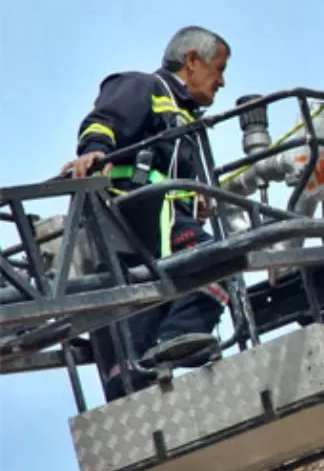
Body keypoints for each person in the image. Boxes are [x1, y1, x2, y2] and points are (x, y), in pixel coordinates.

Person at [61, 25, 232, 402]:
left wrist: (195, 199)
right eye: (218, 69)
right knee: (219, 261)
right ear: (191, 60)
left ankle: (147, 368)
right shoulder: (145, 87)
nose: (221, 82)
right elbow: (106, 119)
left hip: (161, 220)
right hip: (137, 211)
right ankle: (175, 340)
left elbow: (172, 169)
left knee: (141, 310)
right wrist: (93, 150)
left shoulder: (186, 120)